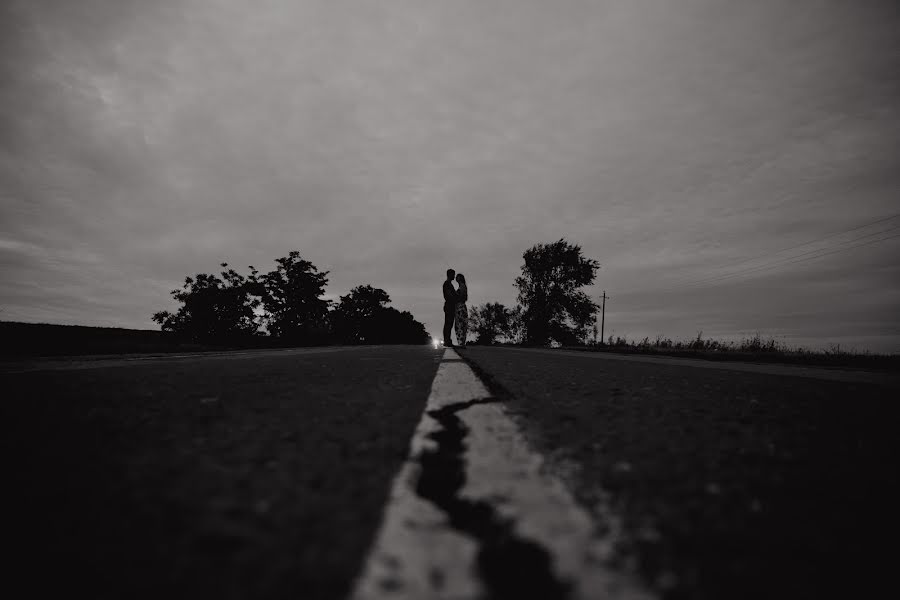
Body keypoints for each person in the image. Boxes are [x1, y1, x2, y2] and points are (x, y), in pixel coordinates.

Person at [442, 268, 457, 347]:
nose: (454, 276)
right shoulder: (447, 284)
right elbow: (449, 295)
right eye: (453, 275)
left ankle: (448, 340)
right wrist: (455, 298)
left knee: (449, 324)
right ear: (449, 275)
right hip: (449, 306)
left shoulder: (449, 284)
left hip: (451, 306)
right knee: (448, 323)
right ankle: (446, 341)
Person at [454, 273, 468, 349]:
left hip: (460, 307)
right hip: (461, 306)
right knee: (461, 325)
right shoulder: (462, 286)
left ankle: (461, 343)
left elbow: (462, 297)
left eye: (457, 277)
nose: (456, 277)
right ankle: (461, 343)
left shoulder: (462, 286)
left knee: (460, 325)